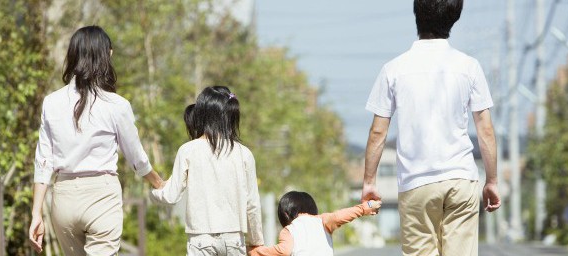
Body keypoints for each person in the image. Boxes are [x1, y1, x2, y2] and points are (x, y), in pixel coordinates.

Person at [361, 1, 501, 255]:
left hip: (416, 184)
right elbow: (486, 131)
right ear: (454, 17)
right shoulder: (469, 67)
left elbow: (378, 132)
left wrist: (369, 181)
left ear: (417, 14)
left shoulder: (393, 70)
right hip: (461, 180)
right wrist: (491, 180)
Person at [28, 25, 164, 255]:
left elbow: (43, 162)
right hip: (102, 195)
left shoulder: (51, 102)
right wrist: (159, 183)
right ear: (106, 55)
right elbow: (137, 158)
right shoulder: (117, 105)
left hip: (64, 198)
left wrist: (36, 213)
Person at [151, 86, 264, 255]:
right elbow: (252, 204)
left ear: (201, 114)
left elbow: (171, 195)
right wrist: (256, 241)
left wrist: (153, 191)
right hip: (234, 239)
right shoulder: (244, 154)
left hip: (200, 238)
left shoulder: (188, 150)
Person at [248, 191, 381, 256]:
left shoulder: (289, 230)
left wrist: (256, 252)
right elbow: (341, 216)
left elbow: (284, 250)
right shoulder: (322, 221)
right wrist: (366, 207)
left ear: (285, 214)